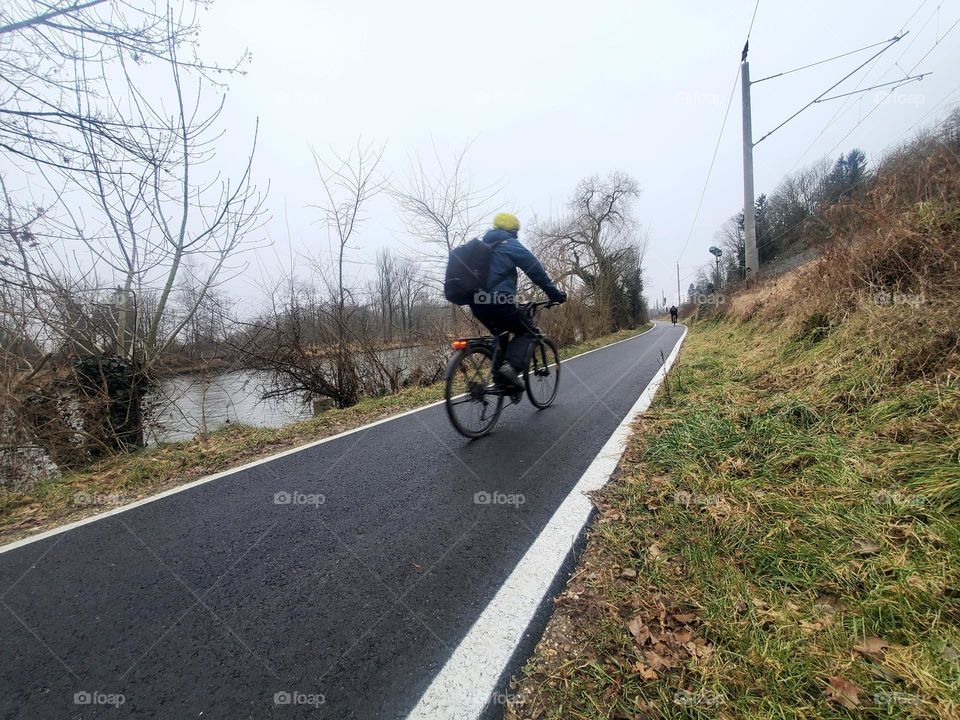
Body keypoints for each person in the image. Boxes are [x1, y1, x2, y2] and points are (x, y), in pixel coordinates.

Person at [469, 213, 566, 389]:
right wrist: (555, 294)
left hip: (477, 303)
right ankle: (511, 369)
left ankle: (501, 381)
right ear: (513, 230)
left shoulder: (482, 247)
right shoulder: (510, 244)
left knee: (501, 334)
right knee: (529, 332)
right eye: (516, 231)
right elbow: (536, 271)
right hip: (500, 301)